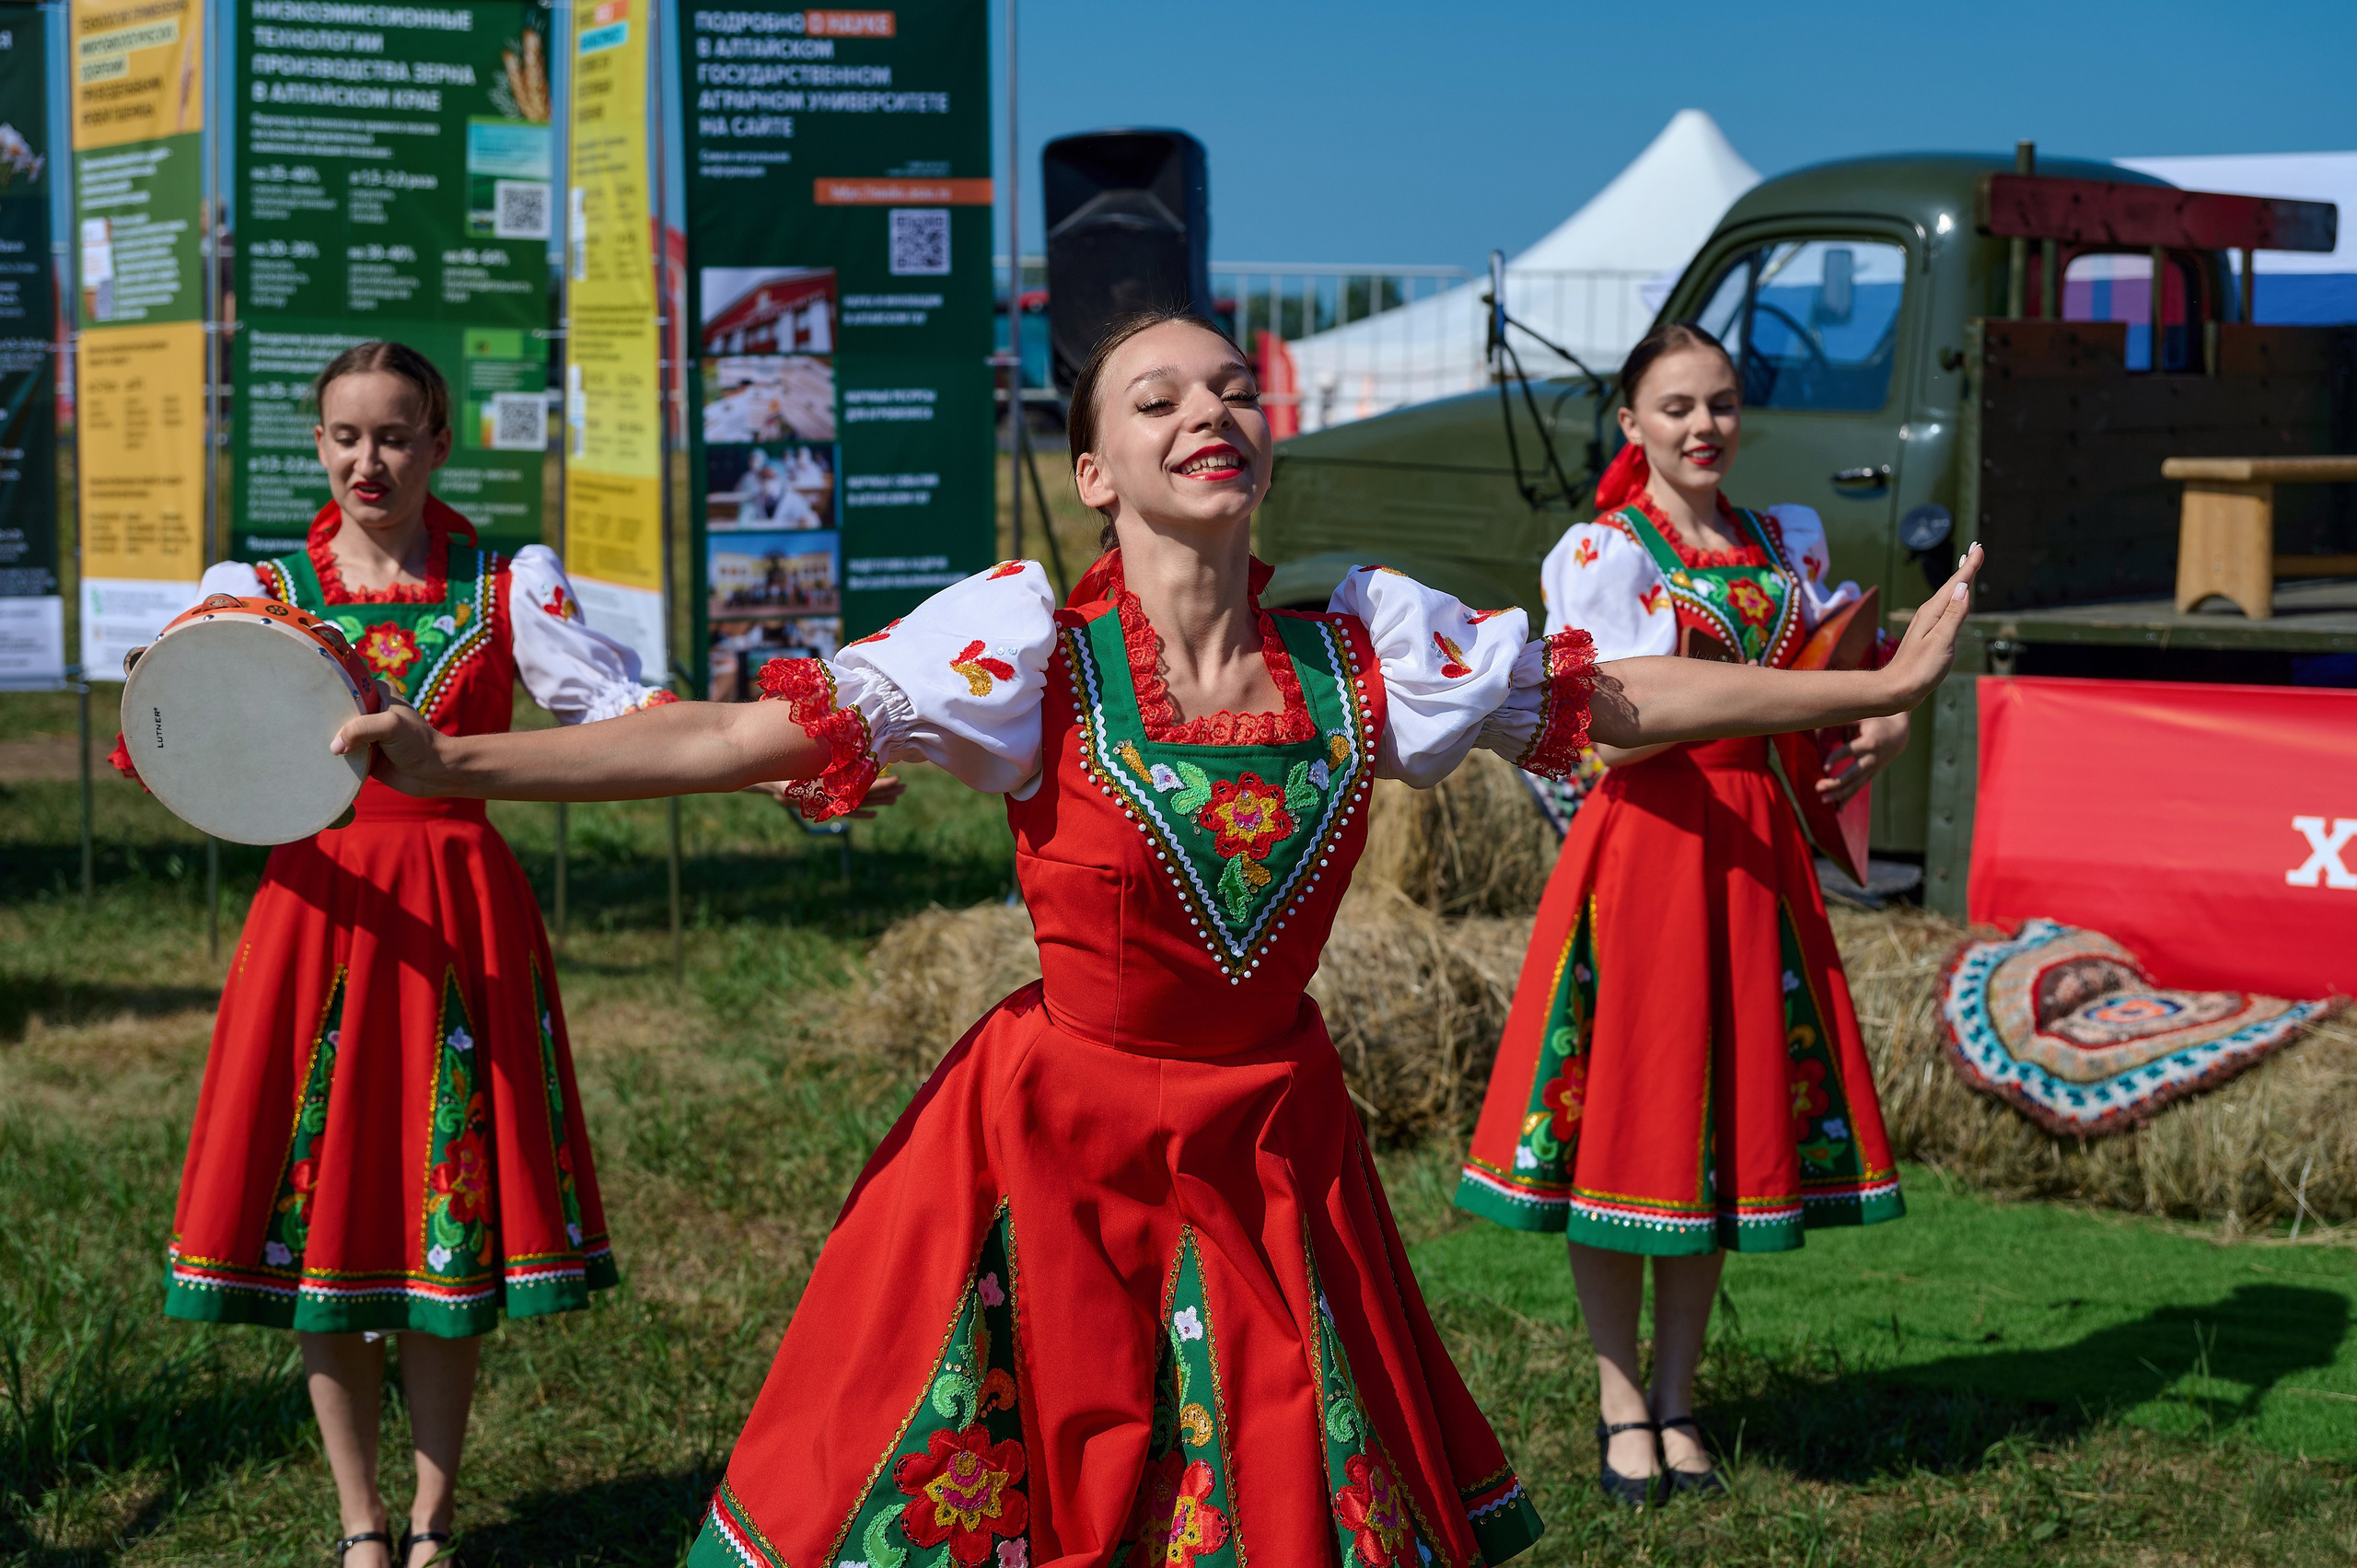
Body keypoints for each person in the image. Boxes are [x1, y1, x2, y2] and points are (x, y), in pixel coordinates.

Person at [334, 310, 1982, 1567]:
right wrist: (455, 759)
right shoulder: (1024, 649)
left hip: (1271, 1145)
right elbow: (730, 740)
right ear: (1096, 472)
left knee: (1271, 1493)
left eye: (1230, 392)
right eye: (1159, 399)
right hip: (1058, 1145)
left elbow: (1616, 694)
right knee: (1047, 1485)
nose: (1210, 412)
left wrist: (1875, 685)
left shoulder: (1367, 654)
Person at [129, 342, 676, 1568]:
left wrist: (765, 742)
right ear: (317, 446)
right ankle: (358, 1520)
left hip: (456, 912)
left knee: (449, 1202)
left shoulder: (503, 583)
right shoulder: (256, 588)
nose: (366, 459)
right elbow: (171, 721)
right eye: (343, 436)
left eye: (394, 434)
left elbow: (609, 707)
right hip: (317, 913)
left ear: (437, 443)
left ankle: (432, 1518)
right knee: (330, 1203)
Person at [1457, 321, 1922, 1506]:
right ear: (1631, 426)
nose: (1702, 426)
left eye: (1718, 403)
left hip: (1756, 848)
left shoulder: (1787, 541)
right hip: (1650, 853)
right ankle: (1620, 1403)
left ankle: (1679, 1395)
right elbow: (1618, 720)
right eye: (1674, 408)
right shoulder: (1604, 552)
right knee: (1627, 1115)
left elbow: (1827, 691)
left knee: (1715, 1120)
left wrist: (1864, 735)